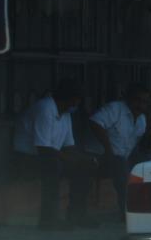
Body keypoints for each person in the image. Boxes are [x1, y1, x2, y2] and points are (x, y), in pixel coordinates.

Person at [12, 79, 96, 230]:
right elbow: (43, 148)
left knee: (83, 166)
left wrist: (81, 159)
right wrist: (68, 159)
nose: (78, 103)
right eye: (77, 99)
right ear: (68, 98)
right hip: (26, 158)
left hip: (50, 156)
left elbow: (69, 146)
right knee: (52, 166)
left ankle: (76, 214)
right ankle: (49, 219)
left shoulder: (66, 114)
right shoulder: (45, 108)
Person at [89, 83, 151, 215]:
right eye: (137, 100)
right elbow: (95, 122)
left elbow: (133, 145)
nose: (140, 105)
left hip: (121, 158)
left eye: (144, 102)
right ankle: (126, 211)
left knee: (148, 164)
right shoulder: (115, 109)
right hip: (100, 157)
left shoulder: (141, 120)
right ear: (129, 98)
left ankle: (147, 207)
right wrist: (108, 150)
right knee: (121, 166)